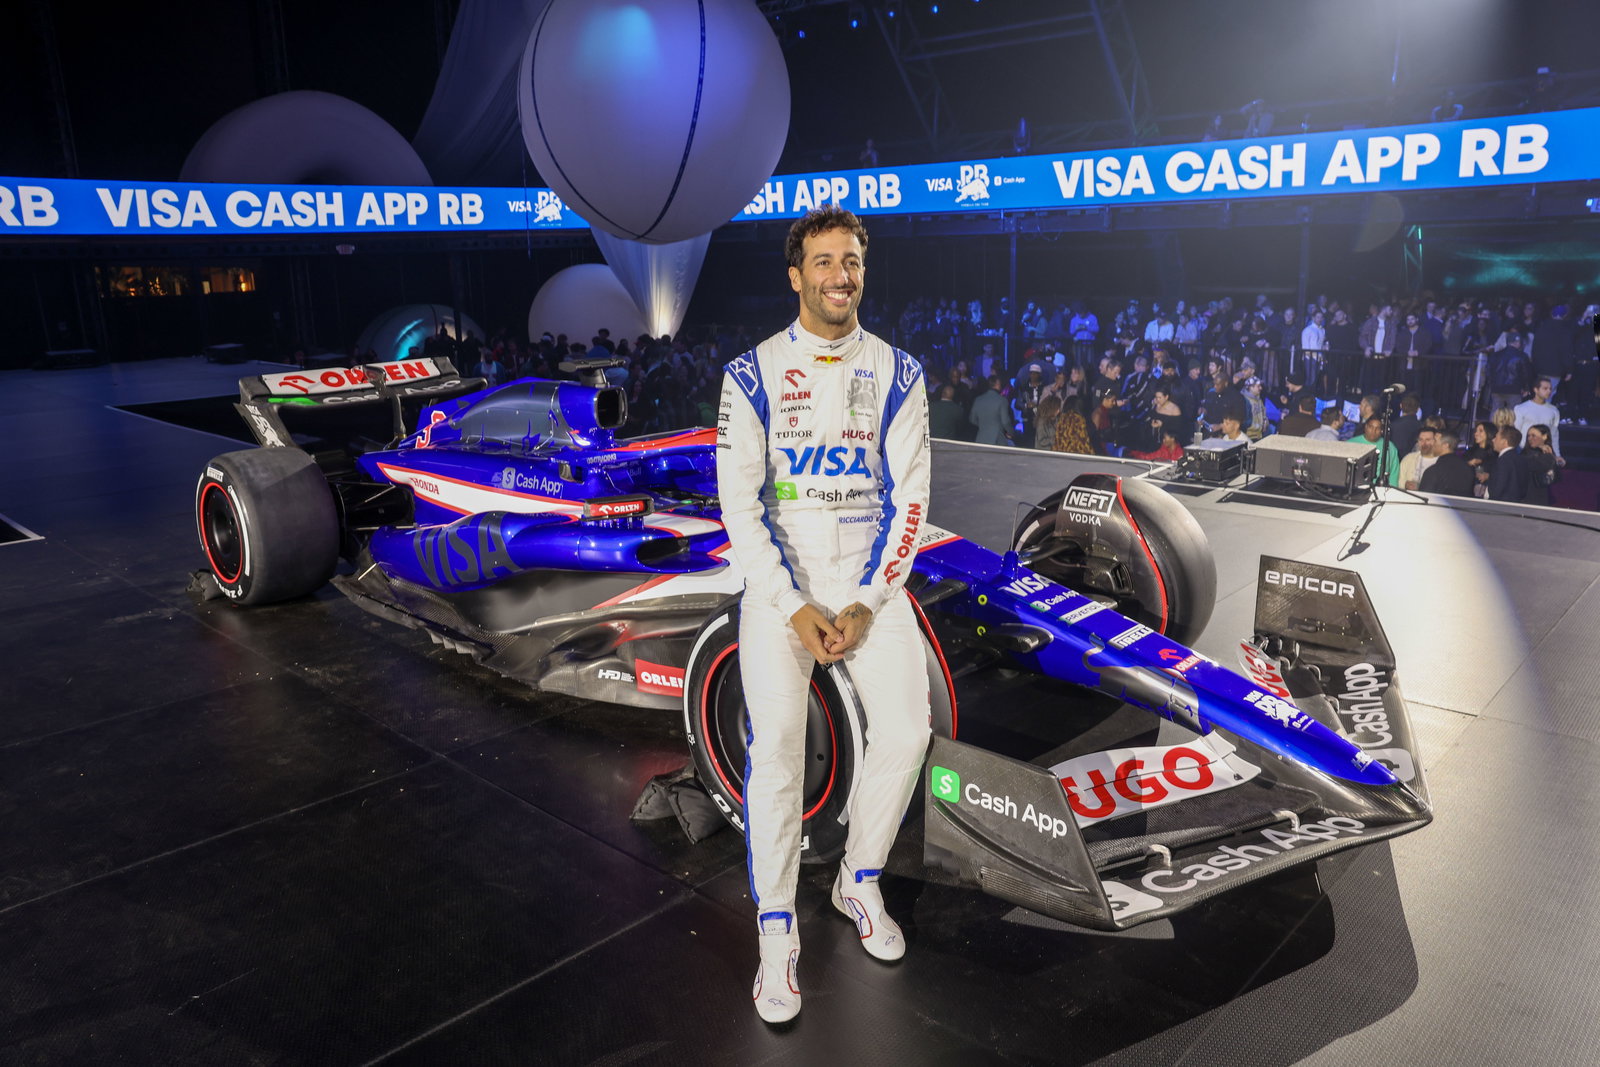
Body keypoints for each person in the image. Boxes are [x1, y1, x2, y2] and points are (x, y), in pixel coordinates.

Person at [717, 206, 932, 1024]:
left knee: (907, 732)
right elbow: (740, 508)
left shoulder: (901, 372)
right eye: (825, 261)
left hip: (869, 588)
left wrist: (870, 599)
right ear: (795, 274)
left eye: (853, 261)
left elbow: (909, 499)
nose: (841, 274)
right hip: (781, 593)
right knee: (773, 746)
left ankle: (859, 879)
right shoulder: (750, 374)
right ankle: (778, 928)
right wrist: (793, 603)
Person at [1513, 377, 1562, 459]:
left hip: (1544, 453)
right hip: (1524, 451)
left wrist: (1557, 454)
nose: (1549, 391)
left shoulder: (1554, 411)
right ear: (1536, 390)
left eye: (1550, 389)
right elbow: (1516, 432)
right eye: (1545, 388)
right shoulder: (1521, 408)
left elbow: (1554, 434)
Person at [1420, 431, 1476, 497]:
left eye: (1435, 441)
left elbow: (1424, 498)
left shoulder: (1434, 471)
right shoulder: (1468, 468)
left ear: (1445, 445)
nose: (1432, 444)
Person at [1482, 424, 1528, 502]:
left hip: (1499, 507)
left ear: (1504, 442)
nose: (1493, 440)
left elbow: (1498, 487)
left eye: (1496, 437)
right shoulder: (1521, 460)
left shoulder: (1503, 461)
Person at [1522, 424, 1564, 507]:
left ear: (1544, 436)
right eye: (1528, 436)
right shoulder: (1525, 453)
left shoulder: (1547, 455)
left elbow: (1533, 466)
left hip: (1537, 497)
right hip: (1523, 495)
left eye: (1534, 436)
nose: (1530, 438)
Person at [970, 374, 1014, 445]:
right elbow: (1005, 422)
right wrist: (1011, 432)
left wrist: (984, 425)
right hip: (997, 440)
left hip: (981, 439)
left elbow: (972, 419)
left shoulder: (978, 400)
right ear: (997, 384)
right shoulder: (1002, 400)